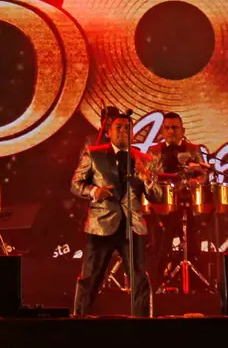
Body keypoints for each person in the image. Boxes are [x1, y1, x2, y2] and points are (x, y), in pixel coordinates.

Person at [71, 110, 160, 317]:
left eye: (127, 128)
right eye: (118, 127)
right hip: (101, 224)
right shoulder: (94, 154)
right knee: (90, 277)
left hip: (132, 224)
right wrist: (94, 191)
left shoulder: (144, 159)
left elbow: (156, 195)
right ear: (109, 132)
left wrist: (147, 179)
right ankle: (79, 321)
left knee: (139, 278)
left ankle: (143, 323)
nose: (123, 131)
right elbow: (76, 183)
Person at [149, 112, 211, 289]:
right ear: (162, 131)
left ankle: (195, 287)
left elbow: (204, 175)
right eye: (167, 128)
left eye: (174, 127)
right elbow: (148, 178)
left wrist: (195, 181)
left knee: (193, 248)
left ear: (182, 130)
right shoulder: (154, 151)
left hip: (188, 205)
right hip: (162, 207)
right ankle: (156, 286)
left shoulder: (193, 149)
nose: (171, 131)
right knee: (161, 249)